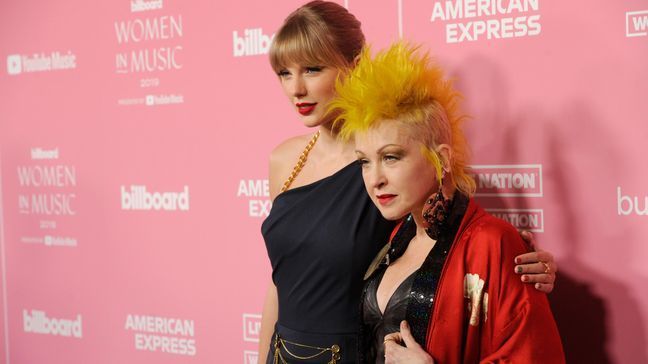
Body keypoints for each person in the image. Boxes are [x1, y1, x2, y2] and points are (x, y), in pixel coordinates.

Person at [260, 2, 557, 363]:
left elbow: (458, 240)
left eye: (312, 69)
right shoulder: (283, 160)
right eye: (283, 73)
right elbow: (281, 278)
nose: (297, 88)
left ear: (354, 66)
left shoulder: (397, 155)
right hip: (283, 350)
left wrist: (520, 263)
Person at [331, 42, 565, 363]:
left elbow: (537, 356)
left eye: (391, 157)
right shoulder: (395, 239)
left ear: (440, 159)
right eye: (364, 162)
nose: (375, 179)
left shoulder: (494, 244)